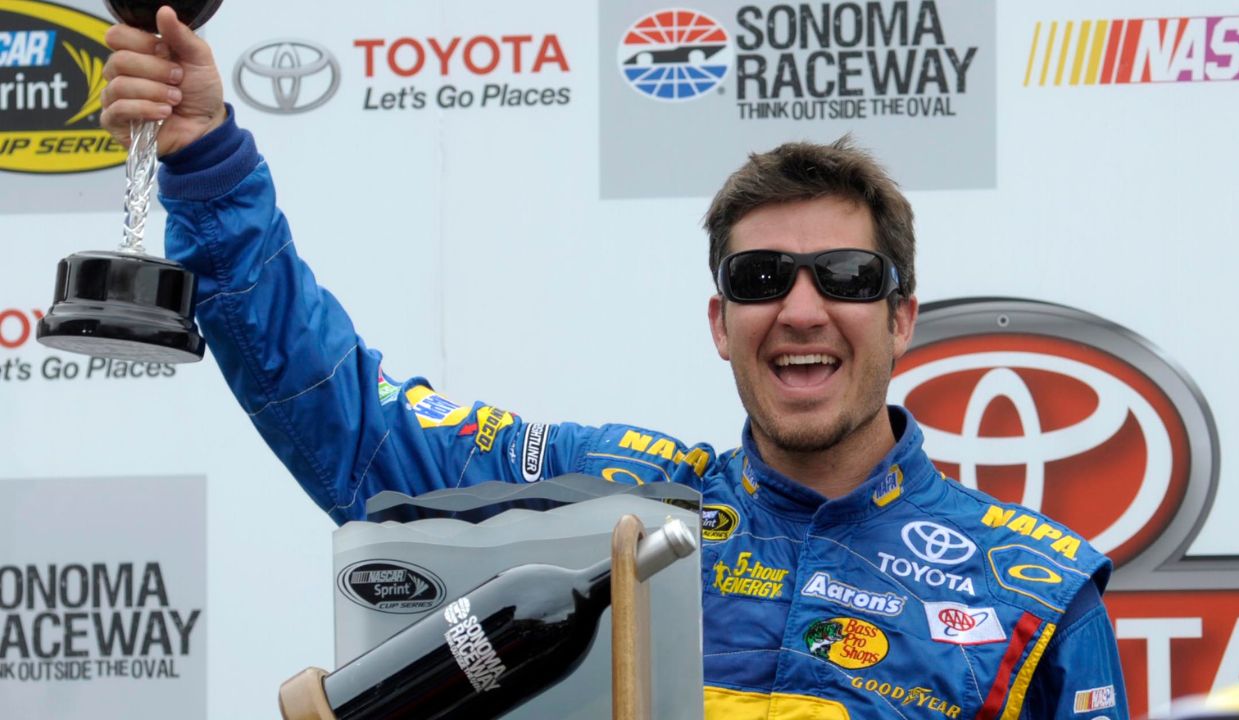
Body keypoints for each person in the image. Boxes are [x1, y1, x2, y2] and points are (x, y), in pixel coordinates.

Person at [102, 8, 1130, 718]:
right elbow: (362, 433)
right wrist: (204, 159)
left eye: (846, 276)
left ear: (901, 318)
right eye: (762, 276)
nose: (802, 308)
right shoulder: (619, 501)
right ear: (719, 322)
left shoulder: (1033, 591)